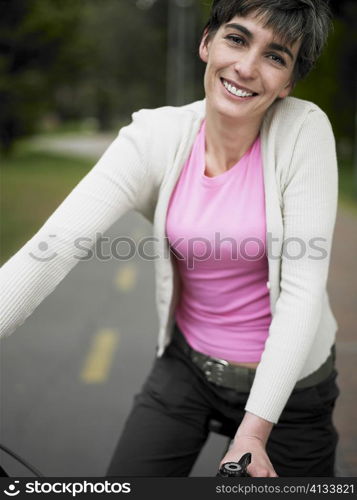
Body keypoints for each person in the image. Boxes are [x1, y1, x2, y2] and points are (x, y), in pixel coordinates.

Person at [0, 0, 340, 477]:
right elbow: (50, 249)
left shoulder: (304, 132)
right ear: (207, 42)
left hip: (291, 391)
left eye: (275, 56)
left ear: (287, 83)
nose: (246, 67)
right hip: (189, 369)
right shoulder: (154, 136)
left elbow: (303, 291)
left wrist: (254, 432)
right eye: (237, 39)